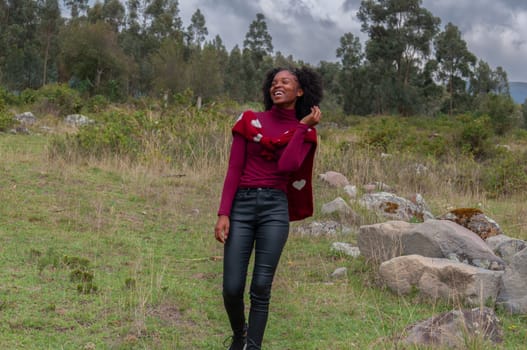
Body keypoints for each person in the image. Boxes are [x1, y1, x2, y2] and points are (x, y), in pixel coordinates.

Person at [214, 66, 323, 349]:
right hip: (242, 207)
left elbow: (287, 166)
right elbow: (234, 169)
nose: (278, 85)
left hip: (275, 210)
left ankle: (253, 346)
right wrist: (223, 213)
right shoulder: (249, 122)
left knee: (261, 287)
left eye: (286, 82)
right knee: (232, 287)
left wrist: (301, 127)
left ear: (300, 92)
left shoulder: (305, 134)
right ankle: (239, 335)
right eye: (274, 82)